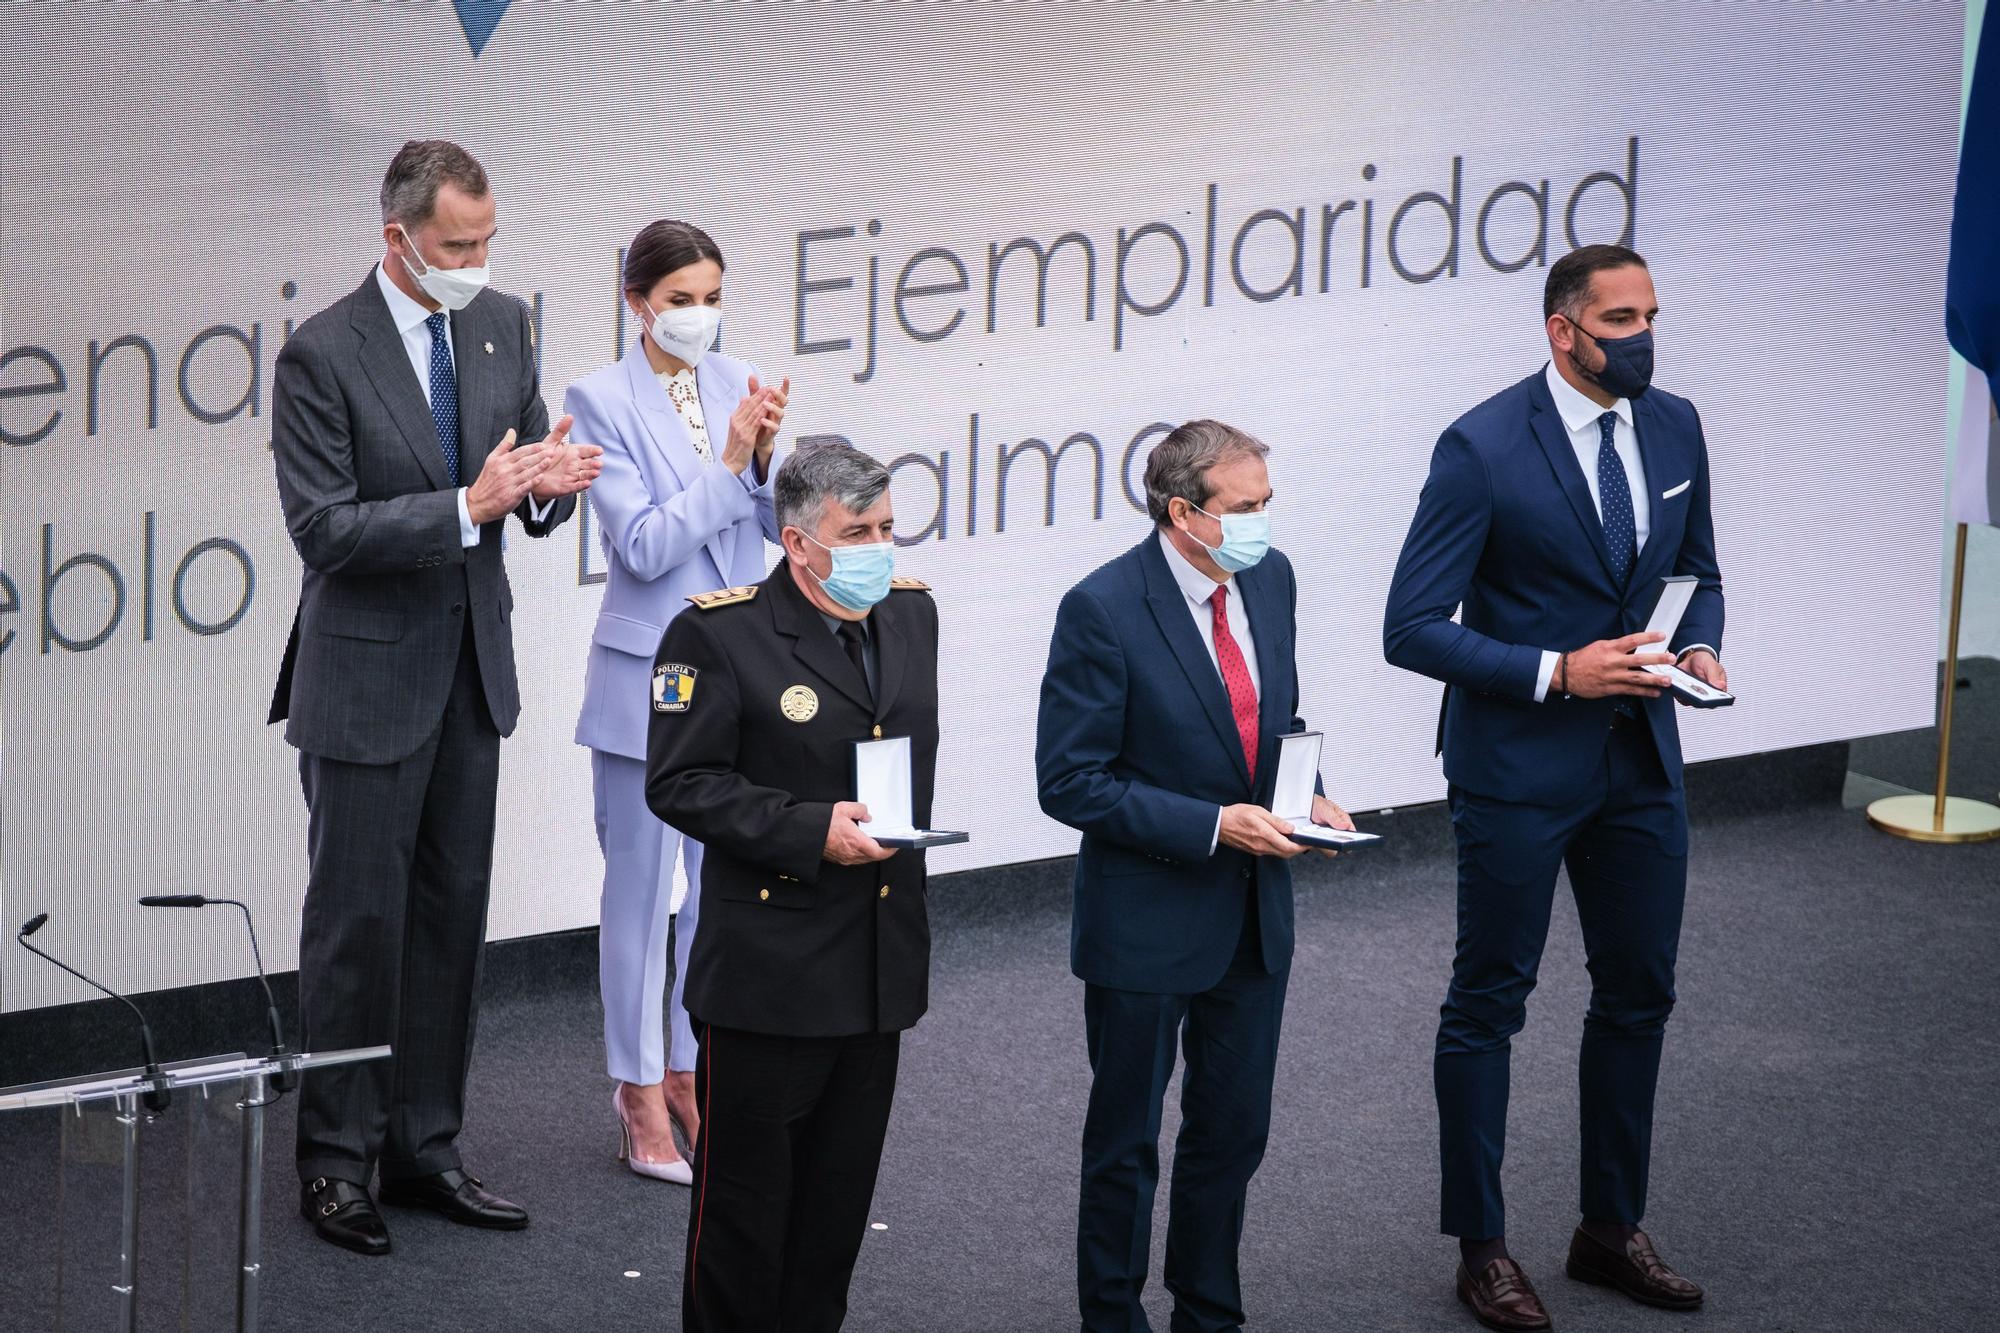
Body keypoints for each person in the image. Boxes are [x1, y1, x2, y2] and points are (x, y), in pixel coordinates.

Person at [269, 139, 601, 1256]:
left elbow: (526, 477)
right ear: (396, 238)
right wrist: (468, 503)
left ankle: (424, 1149)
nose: (476, 260)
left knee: (450, 922)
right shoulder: (321, 353)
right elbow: (323, 530)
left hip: (469, 675)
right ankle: (334, 1164)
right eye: (456, 246)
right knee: (355, 931)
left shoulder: (502, 321)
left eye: (487, 240)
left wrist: (549, 488)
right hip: (363, 680)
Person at [1383, 244, 1724, 1330]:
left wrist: (1700, 649)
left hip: (1640, 760)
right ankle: (1480, 1248)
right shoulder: (1480, 447)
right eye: (1618, 318)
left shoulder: (1674, 425)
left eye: (1650, 313)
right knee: (1489, 1001)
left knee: (1639, 994)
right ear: (1560, 330)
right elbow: (1411, 626)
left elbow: (1699, 575)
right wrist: (1552, 672)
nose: (1640, 335)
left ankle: (1607, 1228)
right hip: (1517, 769)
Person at [1036, 420, 1355, 1333]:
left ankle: (1208, 1314)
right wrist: (1214, 825)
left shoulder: (1272, 576)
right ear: (1184, 512)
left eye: (1267, 503)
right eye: (1244, 508)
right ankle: (1113, 1318)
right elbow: (1070, 781)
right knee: (1127, 1142)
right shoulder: (1101, 607)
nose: (1262, 524)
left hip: (1255, 916)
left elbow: (1273, 711)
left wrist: (1312, 794)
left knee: (1231, 1133)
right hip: (1147, 921)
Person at [646, 442, 939, 1332]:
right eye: (859, 531)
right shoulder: (716, 632)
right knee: (744, 1217)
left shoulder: (913, 614)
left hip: (877, 963)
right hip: (769, 977)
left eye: (888, 526)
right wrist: (810, 828)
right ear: (798, 543)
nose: (880, 548)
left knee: (833, 1219)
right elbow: (680, 782)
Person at [567, 218, 788, 1184]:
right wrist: (734, 466)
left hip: (736, 672)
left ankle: (690, 1063)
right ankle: (636, 1089)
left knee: (717, 891)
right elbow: (649, 546)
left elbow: (776, 529)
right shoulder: (600, 398)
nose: (700, 316)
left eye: (712, 297)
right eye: (681, 299)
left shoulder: (740, 382)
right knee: (638, 897)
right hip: (644, 679)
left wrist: (773, 467)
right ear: (637, 301)